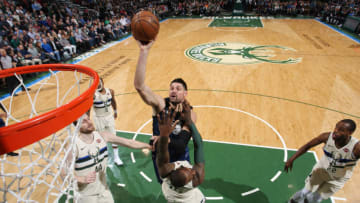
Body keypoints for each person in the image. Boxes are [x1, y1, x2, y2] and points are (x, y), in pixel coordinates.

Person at [134, 40, 197, 183]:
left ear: (185, 93)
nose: (173, 90)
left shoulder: (190, 113)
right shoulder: (160, 105)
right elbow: (140, 86)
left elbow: (181, 144)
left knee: (184, 189)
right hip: (161, 158)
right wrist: (144, 51)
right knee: (167, 189)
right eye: (171, 88)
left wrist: (163, 139)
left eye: (178, 88)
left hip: (180, 157)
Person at [69, 114, 151, 203]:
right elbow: (64, 172)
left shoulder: (103, 136)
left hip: (104, 191)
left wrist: (149, 146)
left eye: (89, 119)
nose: (89, 122)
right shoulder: (74, 146)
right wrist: (81, 179)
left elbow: (128, 142)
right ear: (77, 127)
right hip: (85, 195)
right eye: (84, 121)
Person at [284, 119, 360, 203]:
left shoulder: (356, 148)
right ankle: (292, 201)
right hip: (320, 171)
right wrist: (291, 159)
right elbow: (307, 146)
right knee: (304, 192)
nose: (335, 130)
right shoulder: (326, 137)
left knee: (314, 199)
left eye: (341, 130)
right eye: (336, 127)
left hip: (337, 179)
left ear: (350, 133)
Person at [156, 100, 205, 203]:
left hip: (172, 198)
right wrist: (189, 121)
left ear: (176, 168)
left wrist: (164, 135)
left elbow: (162, 156)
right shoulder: (197, 178)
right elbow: (199, 144)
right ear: (192, 178)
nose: (193, 170)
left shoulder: (166, 174)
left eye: (188, 169)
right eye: (192, 172)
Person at [89, 78, 123, 166]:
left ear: (102, 82)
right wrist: (88, 119)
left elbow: (113, 101)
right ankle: (102, 156)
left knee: (113, 137)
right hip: (98, 118)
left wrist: (115, 111)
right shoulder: (93, 95)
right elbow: (88, 107)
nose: (98, 85)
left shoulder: (110, 91)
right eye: (95, 84)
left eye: (99, 83)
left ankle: (116, 157)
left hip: (109, 117)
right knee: (101, 139)